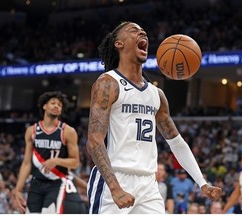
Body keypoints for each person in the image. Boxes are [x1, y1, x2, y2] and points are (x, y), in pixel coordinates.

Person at [86, 21, 222, 214]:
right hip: (114, 178)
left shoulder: (156, 94)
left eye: (144, 32)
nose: (142, 33)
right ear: (119, 43)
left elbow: (177, 143)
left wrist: (202, 183)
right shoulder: (108, 83)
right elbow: (94, 140)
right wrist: (115, 187)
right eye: (134, 31)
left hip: (149, 184)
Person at [14, 91, 81, 213]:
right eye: (53, 103)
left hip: (56, 182)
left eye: (59, 105)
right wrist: (18, 189)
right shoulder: (32, 130)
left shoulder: (67, 131)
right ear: (44, 106)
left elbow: (75, 162)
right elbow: (26, 163)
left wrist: (56, 161)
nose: (56, 106)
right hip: (36, 183)